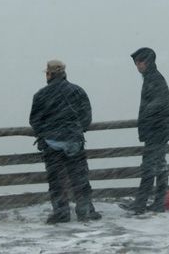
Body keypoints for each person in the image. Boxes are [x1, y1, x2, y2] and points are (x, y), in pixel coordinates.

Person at [29, 60, 102, 224]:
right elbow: (86, 118)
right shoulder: (77, 91)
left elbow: (34, 121)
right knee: (80, 178)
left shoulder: (40, 95)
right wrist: (76, 130)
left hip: (51, 143)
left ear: (49, 74)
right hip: (74, 142)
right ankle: (85, 211)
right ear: (64, 74)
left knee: (56, 181)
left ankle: (61, 213)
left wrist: (47, 132)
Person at [123, 47, 169, 214]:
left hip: (156, 131)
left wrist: (146, 114)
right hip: (158, 130)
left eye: (139, 62)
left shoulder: (154, 79)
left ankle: (142, 203)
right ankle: (156, 202)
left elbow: (160, 102)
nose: (137, 66)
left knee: (150, 167)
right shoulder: (152, 78)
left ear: (147, 62)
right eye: (136, 63)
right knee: (159, 166)